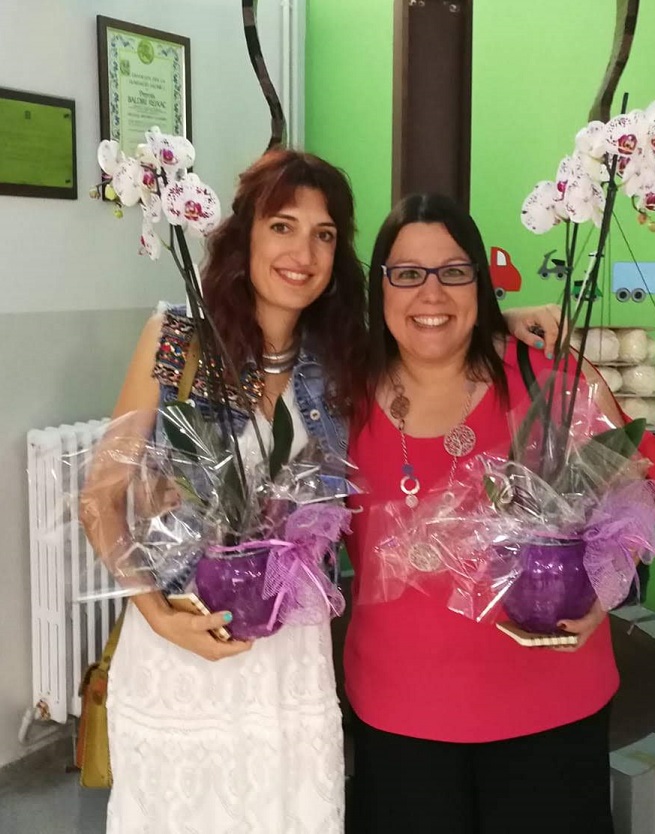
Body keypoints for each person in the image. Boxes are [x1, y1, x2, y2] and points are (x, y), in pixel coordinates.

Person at [81, 149, 559, 833]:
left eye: (324, 234)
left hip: (291, 660)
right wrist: (158, 616)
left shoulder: (342, 357)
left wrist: (502, 319)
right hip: (183, 644)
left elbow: (429, 326)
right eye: (282, 226)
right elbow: (100, 496)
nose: (302, 252)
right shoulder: (178, 341)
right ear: (244, 235)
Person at [344, 193, 655, 834]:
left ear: (479, 283)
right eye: (408, 273)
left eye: (453, 271)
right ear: (381, 287)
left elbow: (637, 486)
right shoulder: (341, 395)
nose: (431, 292)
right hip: (398, 711)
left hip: (550, 705)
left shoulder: (548, 377)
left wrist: (607, 587)